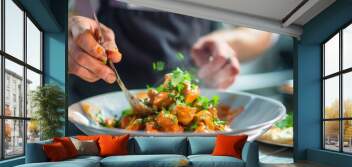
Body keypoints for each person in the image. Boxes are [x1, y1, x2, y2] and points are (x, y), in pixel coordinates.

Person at [67, 0, 276, 135]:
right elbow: (75, 16)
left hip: (201, 139)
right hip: (97, 121)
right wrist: (70, 36)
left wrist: (227, 43)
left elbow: (264, 27)